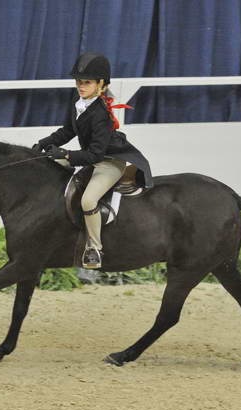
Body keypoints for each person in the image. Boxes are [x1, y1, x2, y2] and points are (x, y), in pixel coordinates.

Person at [33, 52, 153, 269]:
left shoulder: (101, 114)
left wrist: (67, 155)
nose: (81, 86)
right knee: (46, 168)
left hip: (109, 161)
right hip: (88, 157)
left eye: (86, 82)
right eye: (78, 82)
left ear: (101, 85)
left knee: (88, 200)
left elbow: (96, 154)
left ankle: (94, 248)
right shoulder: (78, 102)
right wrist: (45, 142)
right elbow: (68, 130)